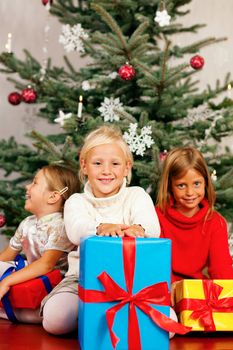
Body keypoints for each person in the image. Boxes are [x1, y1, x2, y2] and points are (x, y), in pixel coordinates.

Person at [41, 125, 161, 335]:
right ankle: (97, 320)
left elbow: (152, 228)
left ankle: (107, 320)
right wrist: (100, 227)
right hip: (82, 278)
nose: (106, 171)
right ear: (84, 166)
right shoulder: (77, 201)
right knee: (56, 320)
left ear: (126, 167)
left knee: (166, 324)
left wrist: (139, 229)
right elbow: (76, 230)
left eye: (115, 164)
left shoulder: (136, 195)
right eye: (98, 163)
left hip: (131, 282)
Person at [0, 164, 80, 322]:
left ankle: (21, 312)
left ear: (53, 197)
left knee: (44, 316)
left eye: (35, 183)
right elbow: (5, 257)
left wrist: (7, 281)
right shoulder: (27, 223)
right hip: (28, 279)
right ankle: (13, 309)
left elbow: (46, 265)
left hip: (50, 287)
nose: (27, 186)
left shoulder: (61, 225)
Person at [155, 146, 233, 304]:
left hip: (199, 294)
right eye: (181, 185)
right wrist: (171, 290)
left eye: (197, 184)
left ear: (205, 183)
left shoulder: (215, 222)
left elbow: (221, 271)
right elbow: (158, 263)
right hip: (165, 292)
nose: (190, 192)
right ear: (170, 185)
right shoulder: (157, 217)